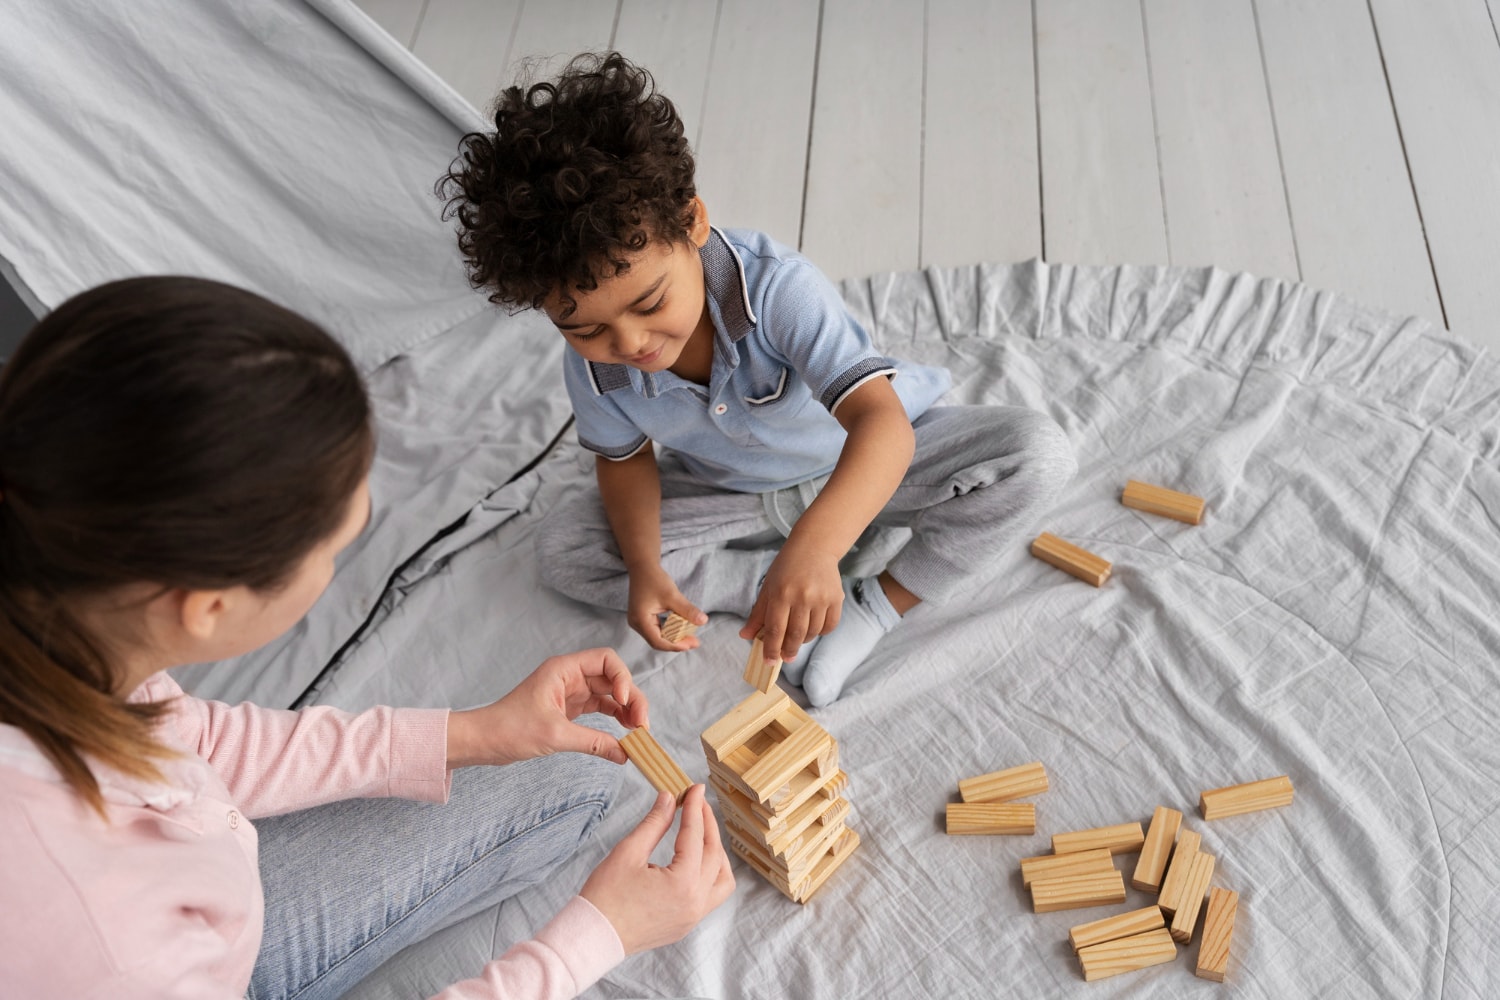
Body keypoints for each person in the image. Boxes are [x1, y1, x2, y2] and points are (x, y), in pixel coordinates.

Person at [0, 276, 733, 1000]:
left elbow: (184, 742)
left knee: (574, 777)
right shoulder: (108, 941)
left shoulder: (57, 605)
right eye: (330, 550)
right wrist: (596, 937)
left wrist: (472, 733)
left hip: (190, 909)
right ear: (207, 606)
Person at [439, 53, 1078, 706]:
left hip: (870, 467)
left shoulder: (775, 286)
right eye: (585, 329)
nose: (628, 344)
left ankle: (873, 603)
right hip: (736, 500)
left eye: (650, 302)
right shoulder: (595, 372)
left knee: (1035, 454)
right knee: (565, 549)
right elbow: (625, 465)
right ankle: (782, 583)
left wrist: (818, 545)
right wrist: (645, 568)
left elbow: (881, 424)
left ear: (691, 224)